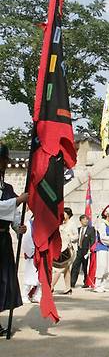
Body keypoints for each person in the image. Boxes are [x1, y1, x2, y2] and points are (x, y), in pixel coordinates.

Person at [0, 143, 28, 336]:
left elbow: (14, 214)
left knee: (3, 281)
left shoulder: (8, 187)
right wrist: (18, 200)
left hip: (3, 240)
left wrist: (19, 227)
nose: (4, 164)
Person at [51, 207, 77, 295]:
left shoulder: (72, 224)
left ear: (68, 215)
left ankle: (51, 286)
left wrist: (70, 237)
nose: (62, 215)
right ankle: (68, 288)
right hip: (61, 249)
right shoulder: (60, 224)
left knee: (59, 269)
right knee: (66, 269)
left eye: (64, 214)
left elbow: (76, 236)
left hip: (69, 251)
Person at [93, 205, 109, 293]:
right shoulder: (102, 224)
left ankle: (102, 285)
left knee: (107, 267)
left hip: (107, 248)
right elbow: (103, 238)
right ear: (107, 214)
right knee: (102, 266)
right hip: (102, 247)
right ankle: (97, 285)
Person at [71, 215, 95, 288]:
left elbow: (92, 241)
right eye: (84, 219)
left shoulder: (91, 229)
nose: (86, 221)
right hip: (78, 251)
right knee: (75, 266)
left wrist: (90, 250)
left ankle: (86, 282)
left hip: (86, 251)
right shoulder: (78, 230)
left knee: (85, 267)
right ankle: (72, 282)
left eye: (87, 219)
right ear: (80, 221)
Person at [21, 214, 40, 304]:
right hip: (33, 254)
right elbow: (26, 240)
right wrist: (31, 253)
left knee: (41, 278)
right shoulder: (29, 224)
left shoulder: (42, 224)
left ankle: (37, 295)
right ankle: (24, 295)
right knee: (29, 277)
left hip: (41, 254)